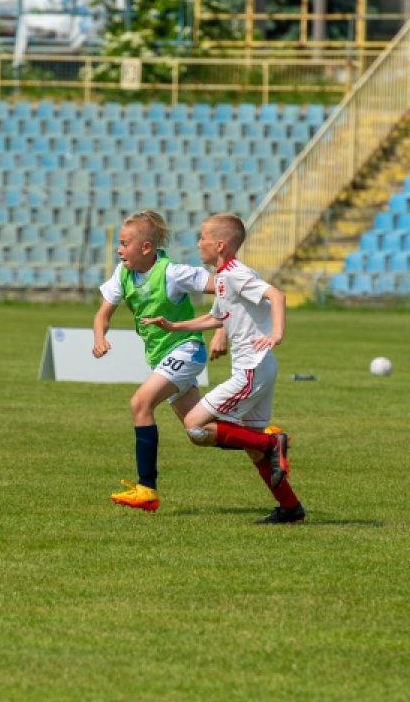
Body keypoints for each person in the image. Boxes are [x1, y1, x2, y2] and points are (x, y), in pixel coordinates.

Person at [141, 213, 306, 524]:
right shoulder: (223, 278)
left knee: (195, 426)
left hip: (250, 369)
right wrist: (174, 326)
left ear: (219, 244)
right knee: (253, 450)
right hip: (260, 369)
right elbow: (217, 318)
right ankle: (290, 507)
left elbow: (276, 295)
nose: (198, 242)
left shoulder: (235, 275)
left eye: (203, 237)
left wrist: (276, 333)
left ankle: (273, 442)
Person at [92, 210, 226, 512]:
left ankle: (147, 489)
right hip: (161, 358)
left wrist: (223, 328)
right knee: (200, 433)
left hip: (185, 350)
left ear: (145, 248)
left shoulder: (172, 273)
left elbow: (227, 286)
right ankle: (265, 441)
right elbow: (103, 314)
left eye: (124, 243)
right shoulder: (122, 273)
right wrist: (99, 337)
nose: (118, 249)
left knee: (140, 404)